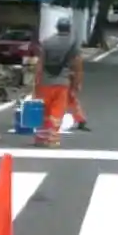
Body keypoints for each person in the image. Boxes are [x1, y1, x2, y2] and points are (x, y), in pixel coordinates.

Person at [34, 17, 82, 147]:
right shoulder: (72, 43)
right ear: (69, 28)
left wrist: (36, 82)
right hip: (62, 81)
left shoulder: (47, 42)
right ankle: (53, 139)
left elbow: (40, 64)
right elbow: (77, 64)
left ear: (57, 27)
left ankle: (40, 137)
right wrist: (77, 83)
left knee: (44, 111)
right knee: (57, 111)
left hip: (45, 82)